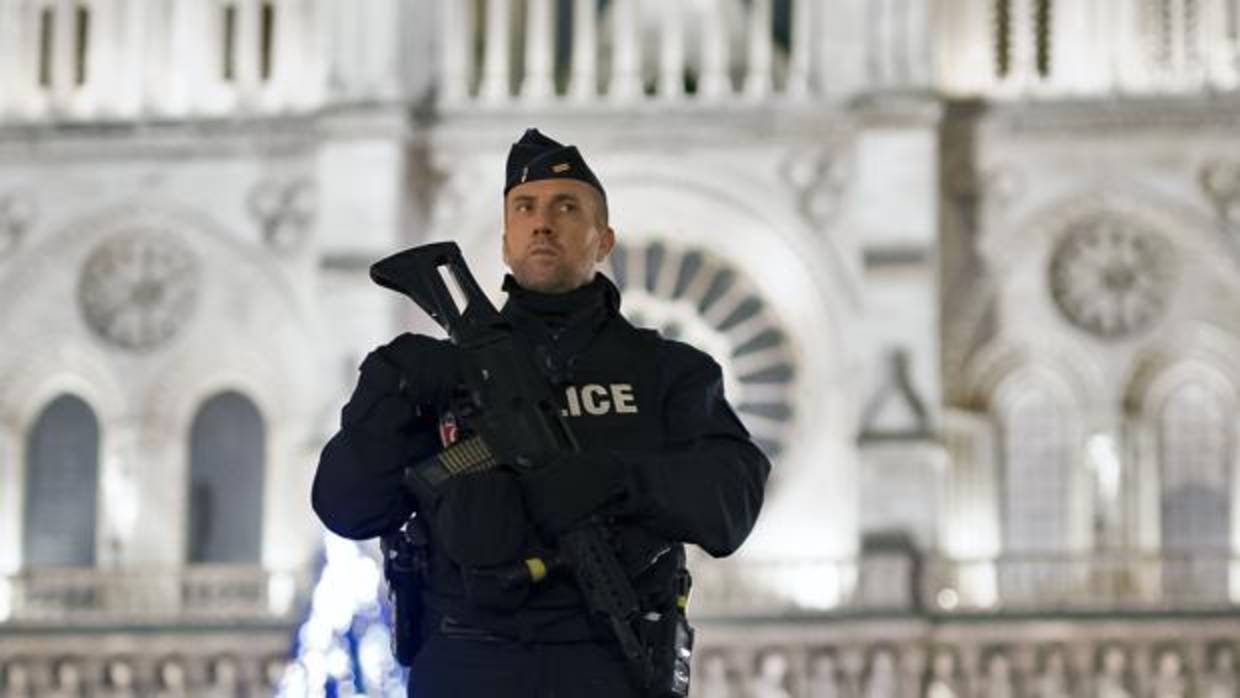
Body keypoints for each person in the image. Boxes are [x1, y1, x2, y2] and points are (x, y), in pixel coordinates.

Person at [312, 128, 770, 697]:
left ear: (603, 240)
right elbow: (347, 508)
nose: (543, 222)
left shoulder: (666, 372)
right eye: (524, 208)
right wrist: (388, 396)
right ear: (506, 241)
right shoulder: (445, 370)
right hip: (467, 660)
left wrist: (615, 481)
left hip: (605, 663)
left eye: (566, 207)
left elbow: (731, 503)